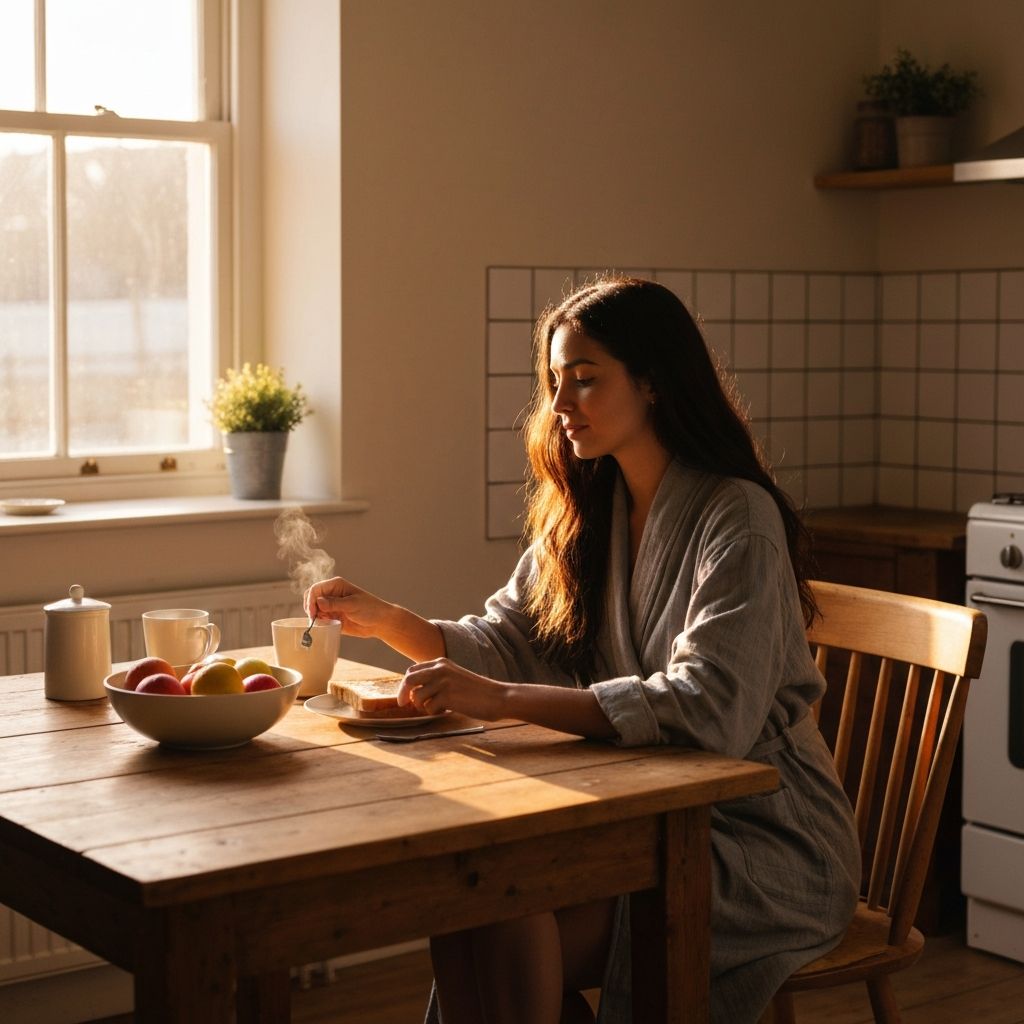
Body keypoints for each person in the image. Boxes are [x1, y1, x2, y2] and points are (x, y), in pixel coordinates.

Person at [304, 276, 861, 1024]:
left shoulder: (738, 519)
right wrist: (386, 619)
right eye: (555, 382)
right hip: (640, 812)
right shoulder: (589, 509)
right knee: (473, 903)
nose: (560, 404)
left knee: (501, 920)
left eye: (586, 380)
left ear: (653, 382)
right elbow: (506, 640)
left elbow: (711, 709)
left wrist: (500, 700)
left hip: (759, 838)